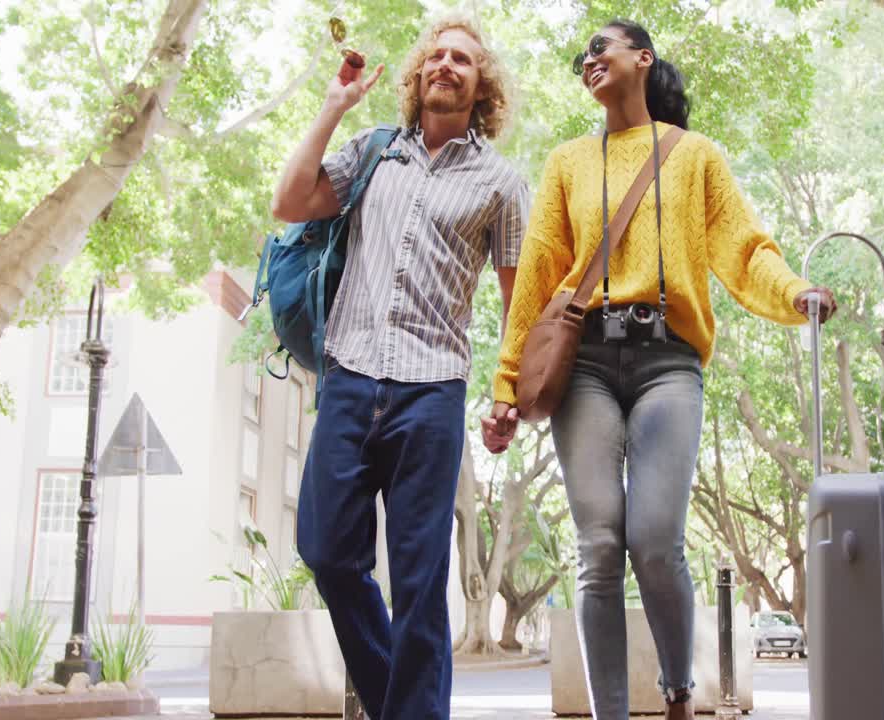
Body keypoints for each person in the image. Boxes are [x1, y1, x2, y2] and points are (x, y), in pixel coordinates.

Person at [482, 19, 836, 720]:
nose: (590, 59)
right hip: (583, 365)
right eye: (583, 55)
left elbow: (742, 249)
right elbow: (538, 281)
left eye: (602, 48)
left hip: (669, 363)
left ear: (642, 59)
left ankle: (676, 694)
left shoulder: (695, 156)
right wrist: (505, 388)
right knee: (600, 543)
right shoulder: (567, 164)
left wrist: (797, 293)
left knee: (652, 537)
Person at [271, 16, 528, 720]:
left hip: (432, 390)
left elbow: (517, 306)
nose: (446, 65)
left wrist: (510, 398)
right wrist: (336, 104)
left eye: (464, 60)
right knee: (325, 551)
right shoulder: (374, 152)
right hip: (350, 378)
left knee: (420, 582)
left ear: (482, 87)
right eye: (436, 56)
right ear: (418, 77)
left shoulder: (502, 185)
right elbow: (289, 202)